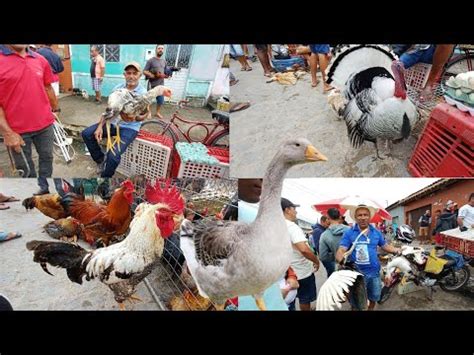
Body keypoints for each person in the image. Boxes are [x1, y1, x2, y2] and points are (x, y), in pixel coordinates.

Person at [0, 44, 59, 195]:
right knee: (25, 170)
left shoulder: (40, 59)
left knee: (47, 159)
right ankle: (30, 196)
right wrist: (7, 132)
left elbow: (47, 87)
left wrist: (55, 110)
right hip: (16, 131)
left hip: (45, 126)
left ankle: (44, 191)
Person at [82, 62, 149, 178]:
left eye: (135, 73)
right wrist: (99, 127)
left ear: (140, 75)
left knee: (113, 155)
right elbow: (109, 110)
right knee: (87, 133)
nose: (131, 76)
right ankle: (101, 160)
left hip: (129, 128)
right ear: (124, 74)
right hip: (113, 123)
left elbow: (146, 114)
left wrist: (134, 117)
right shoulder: (117, 88)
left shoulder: (143, 93)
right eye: (128, 73)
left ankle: (105, 178)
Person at [336, 205, 401, 310]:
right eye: (360, 215)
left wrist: (397, 250)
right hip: (357, 276)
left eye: (365, 215)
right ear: (356, 217)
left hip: (374, 273)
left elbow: (385, 246)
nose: (362, 217)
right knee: (357, 301)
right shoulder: (349, 233)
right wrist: (340, 259)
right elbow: (341, 249)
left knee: (374, 297)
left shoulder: (376, 232)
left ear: (369, 217)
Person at [237, 179, 288, 310]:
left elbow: (278, 254)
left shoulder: (254, 215)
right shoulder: (242, 212)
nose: (262, 181)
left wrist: (291, 275)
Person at [282, 197, 320, 311]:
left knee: (289, 300)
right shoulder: (291, 227)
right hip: (301, 272)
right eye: (294, 208)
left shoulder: (273, 226)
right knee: (304, 298)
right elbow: (304, 249)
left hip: (285, 272)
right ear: (287, 210)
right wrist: (316, 261)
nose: (296, 211)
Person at [319, 208, 349, 277]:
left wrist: (335, 255)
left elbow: (323, 256)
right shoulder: (350, 230)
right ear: (339, 217)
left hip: (339, 266)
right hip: (354, 265)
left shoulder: (324, 235)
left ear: (328, 219)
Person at [143, 45, 168, 119]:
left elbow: (166, 71)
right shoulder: (151, 61)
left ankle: (157, 112)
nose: (160, 50)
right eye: (159, 48)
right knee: (149, 100)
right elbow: (144, 71)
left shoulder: (164, 61)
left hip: (161, 85)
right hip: (152, 84)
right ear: (156, 50)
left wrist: (167, 75)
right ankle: (149, 112)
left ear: (163, 50)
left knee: (160, 100)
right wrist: (152, 75)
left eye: (162, 49)